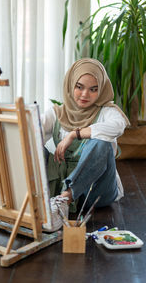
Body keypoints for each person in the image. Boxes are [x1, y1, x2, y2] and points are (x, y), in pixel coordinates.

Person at [41, 58, 130, 232]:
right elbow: (31, 128)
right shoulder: (57, 113)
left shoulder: (107, 112)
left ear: (102, 90)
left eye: (93, 89)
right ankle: (51, 200)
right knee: (32, 145)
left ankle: (65, 199)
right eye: (79, 87)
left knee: (101, 143)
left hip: (96, 192)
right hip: (57, 188)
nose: (84, 95)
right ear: (70, 84)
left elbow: (118, 126)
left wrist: (75, 134)